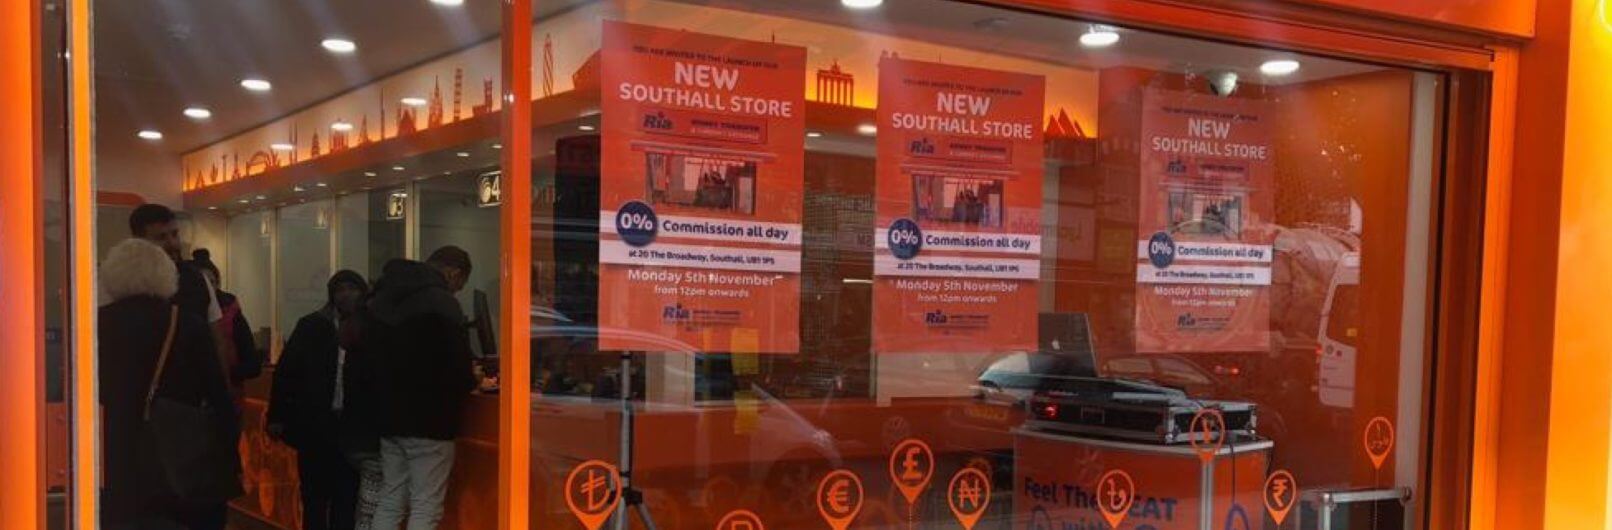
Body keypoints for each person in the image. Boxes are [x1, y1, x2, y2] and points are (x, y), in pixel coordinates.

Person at [98, 239, 237, 530]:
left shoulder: (98, 323)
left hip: (116, 452)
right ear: (165, 275)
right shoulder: (186, 323)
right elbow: (218, 394)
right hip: (180, 452)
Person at [365, 247, 477, 530]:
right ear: (453, 273)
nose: (457, 291)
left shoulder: (385, 296)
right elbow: (458, 368)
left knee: (391, 499)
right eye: (459, 285)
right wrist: (472, 380)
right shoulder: (442, 303)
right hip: (431, 420)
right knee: (426, 505)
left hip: (389, 418)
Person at [267, 270, 370, 530]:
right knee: (314, 495)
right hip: (315, 423)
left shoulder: (370, 328)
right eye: (340, 289)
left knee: (347, 497)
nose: (346, 294)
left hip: (351, 425)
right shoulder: (312, 325)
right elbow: (286, 373)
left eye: (352, 288)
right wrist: (276, 415)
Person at [190, 248, 262, 391]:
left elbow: (253, 364)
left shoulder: (232, 313)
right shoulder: (182, 314)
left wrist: (225, 373)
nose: (208, 289)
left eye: (212, 282)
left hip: (229, 394)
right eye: (203, 284)